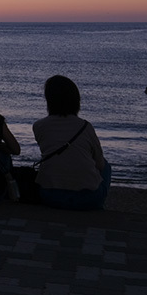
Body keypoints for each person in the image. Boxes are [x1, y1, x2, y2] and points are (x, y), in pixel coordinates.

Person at [32, 75, 111, 210]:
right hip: (88, 199)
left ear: (49, 100)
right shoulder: (86, 127)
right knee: (106, 166)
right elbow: (100, 164)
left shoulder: (39, 126)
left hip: (49, 195)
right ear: (76, 100)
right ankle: (100, 205)